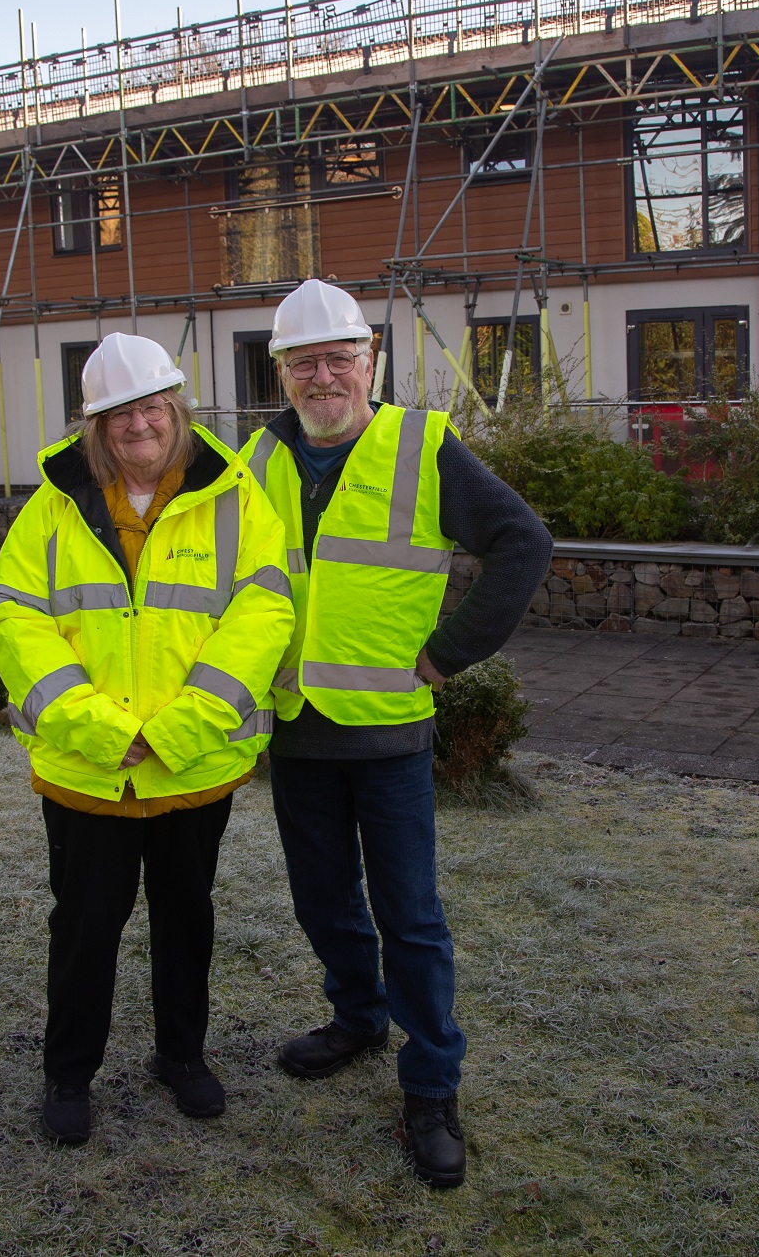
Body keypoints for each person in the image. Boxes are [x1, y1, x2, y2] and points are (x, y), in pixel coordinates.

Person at [238, 279, 552, 1188]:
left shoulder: (422, 446)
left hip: (390, 734)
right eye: (305, 362)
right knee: (322, 900)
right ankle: (358, 1017)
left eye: (340, 358)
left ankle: (431, 1084)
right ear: (283, 372)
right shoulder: (256, 461)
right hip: (297, 727)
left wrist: (449, 653)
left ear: (369, 362)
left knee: (411, 916)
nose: (323, 375)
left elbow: (522, 542)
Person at [0, 332, 293, 1146]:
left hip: (191, 764)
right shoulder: (53, 505)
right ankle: (68, 1073)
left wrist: (181, 727)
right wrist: (99, 727)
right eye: (119, 413)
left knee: (187, 919)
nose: (138, 425)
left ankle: (181, 1057)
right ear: (96, 425)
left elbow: (264, 614)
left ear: (176, 410)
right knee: (85, 926)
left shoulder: (236, 497)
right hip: (89, 769)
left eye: (151, 407)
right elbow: (13, 618)